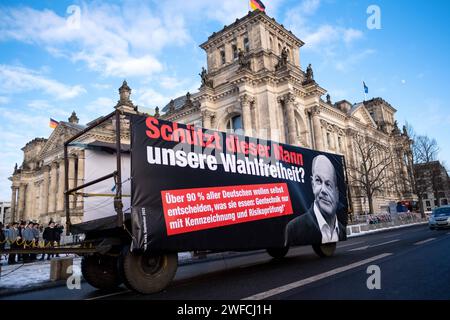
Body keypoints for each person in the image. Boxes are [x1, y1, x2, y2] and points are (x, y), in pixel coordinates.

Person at [285, 155, 346, 245]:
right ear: (313, 184)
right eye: (318, 181)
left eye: (328, 184)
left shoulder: (342, 230)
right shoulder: (294, 228)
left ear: (336, 193)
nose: (323, 190)